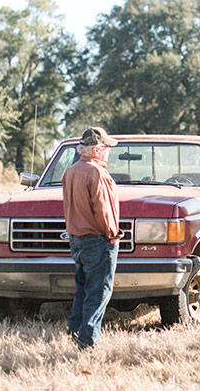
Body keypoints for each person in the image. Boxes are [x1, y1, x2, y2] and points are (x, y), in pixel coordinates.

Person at [62, 126, 123, 349]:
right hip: (97, 240)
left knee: (83, 289)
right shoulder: (97, 173)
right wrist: (113, 235)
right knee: (99, 292)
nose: (108, 151)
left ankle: (75, 330)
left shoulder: (71, 171)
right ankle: (87, 340)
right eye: (105, 147)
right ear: (97, 150)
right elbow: (103, 210)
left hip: (76, 239)